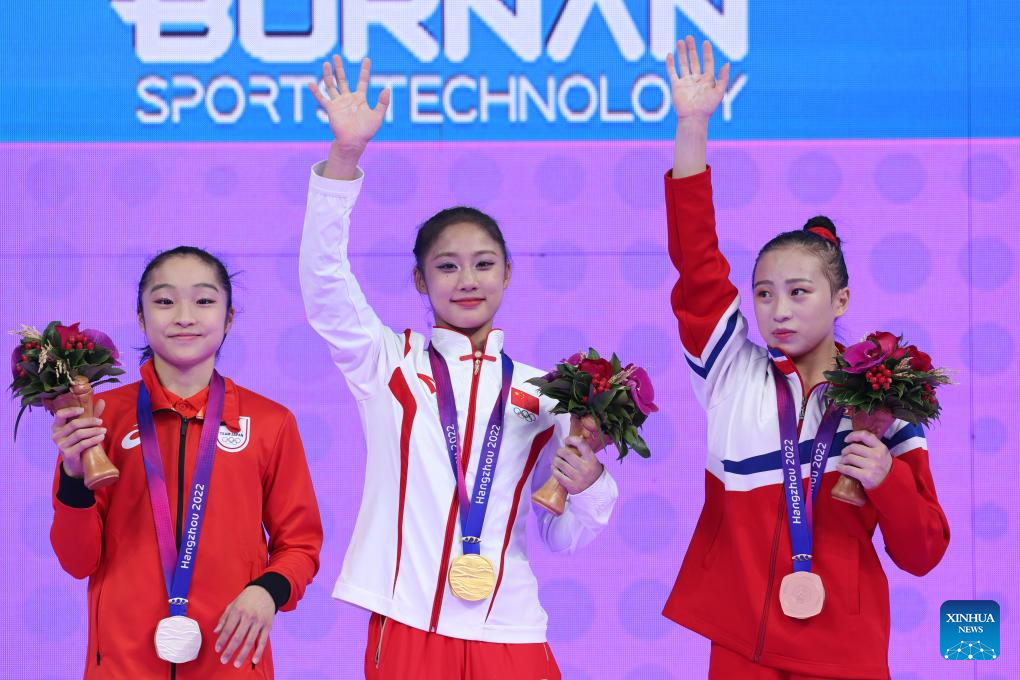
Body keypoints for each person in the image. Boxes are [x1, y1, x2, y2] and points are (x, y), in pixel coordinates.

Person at [299, 57, 618, 680]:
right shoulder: (388, 363)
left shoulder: (547, 392)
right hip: (409, 622)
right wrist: (344, 157)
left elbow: (562, 537)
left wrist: (590, 483)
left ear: (508, 274)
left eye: (484, 264)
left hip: (510, 628)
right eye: (446, 266)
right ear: (420, 280)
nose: (467, 280)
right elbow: (324, 279)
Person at [660, 37, 950, 679]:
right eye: (764, 294)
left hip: (845, 652)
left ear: (841, 298)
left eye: (798, 292)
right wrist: (692, 127)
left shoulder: (887, 400)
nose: (778, 310)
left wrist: (887, 479)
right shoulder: (732, 372)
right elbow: (697, 263)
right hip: (742, 645)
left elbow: (924, 552)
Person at [49, 246, 323, 679]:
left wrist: (269, 591)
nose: (184, 316)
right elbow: (76, 560)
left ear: (229, 318)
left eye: (203, 300)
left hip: (231, 662)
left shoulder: (270, 423)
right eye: (164, 300)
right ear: (141, 318)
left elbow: (301, 544)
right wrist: (73, 476)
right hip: (122, 665)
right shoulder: (99, 418)